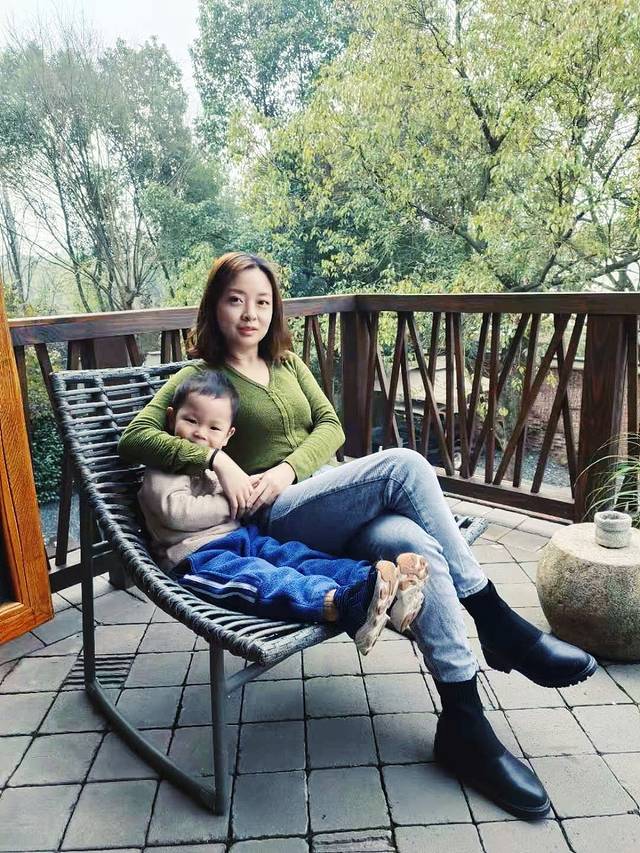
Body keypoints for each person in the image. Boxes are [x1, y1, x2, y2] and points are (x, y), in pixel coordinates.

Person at [119, 250, 597, 820]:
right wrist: (218, 459)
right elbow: (135, 438)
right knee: (405, 466)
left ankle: (464, 725)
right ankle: (495, 620)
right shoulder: (201, 377)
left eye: (263, 302)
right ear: (214, 306)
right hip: (275, 519)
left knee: (415, 544)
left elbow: (332, 427)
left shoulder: (288, 364)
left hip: (320, 498)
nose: (250, 314)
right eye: (236, 300)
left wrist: (290, 467)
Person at [137, 369, 428, 655]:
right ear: (172, 418)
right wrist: (234, 502)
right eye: (191, 421)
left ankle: (378, 584)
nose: (200, 434)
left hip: (242, 537)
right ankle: (345, 605)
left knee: (295, 556)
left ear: (227, 435)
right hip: (196, 558)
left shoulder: (219, 466)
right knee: (261, 579)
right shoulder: (163, 468)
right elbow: (175, 512)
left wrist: (245, 490)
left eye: (213, 428)